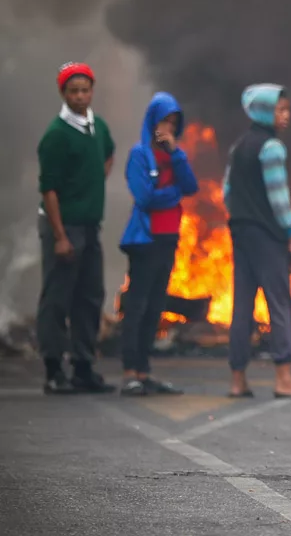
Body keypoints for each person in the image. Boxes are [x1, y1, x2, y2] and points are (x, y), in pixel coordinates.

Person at [222, 83, 291, 399]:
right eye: (280, 110)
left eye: (286, 109)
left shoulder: (238, 147)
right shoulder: (272, 148)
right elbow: (279, 200)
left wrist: (244, 215)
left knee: (242, 307)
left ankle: (238, 381)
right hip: (268, 236)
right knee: (280, 304)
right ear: (265, 112)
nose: (286, 116)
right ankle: (284, 378)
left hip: (241, 232)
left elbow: (227, 192)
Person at [36, 62, 116, 394]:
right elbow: (49, 189)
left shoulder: (98, 127)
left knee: (90, 296)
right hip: (64, 226)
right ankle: (54, 369)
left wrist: (95, 180)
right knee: (57, 299)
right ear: (63, 93)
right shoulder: (56, 135)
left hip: (90, 226)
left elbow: (109, 154)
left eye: (85, 90)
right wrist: (60, 236)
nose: (81, 96)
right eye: (74, 91)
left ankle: (83, 366)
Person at [118, 92, 199, 396]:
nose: (168, 127)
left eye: (174, 122)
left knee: (154, 308)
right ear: (153, 121)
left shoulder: (175, 156)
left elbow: (191, 186)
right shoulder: (139, 155)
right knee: (137, 306)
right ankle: (129, 373)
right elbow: (145, 197)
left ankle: (144, 371)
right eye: (164, 120)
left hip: (169, 239)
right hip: (145, 239)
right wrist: (173, 194)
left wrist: (176, 154)